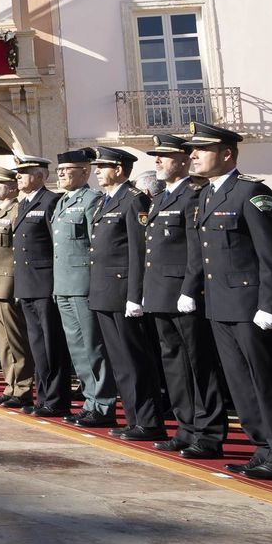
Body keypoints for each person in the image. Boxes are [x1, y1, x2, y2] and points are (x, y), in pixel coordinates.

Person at [186, 121, 272, 482]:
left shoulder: (251, 193)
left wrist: (270, 306)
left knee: (267, 380)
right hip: (220, 303)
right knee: (239, 382)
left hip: (251, 306)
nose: (192, 155)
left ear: (226, 154)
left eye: (201, 150)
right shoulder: (206, 195)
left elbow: (270, 256)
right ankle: (263, 447)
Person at [138, 135, 225, 459]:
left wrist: (190, 289)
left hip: (184, 293)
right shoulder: (161, 199)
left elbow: (196, 250)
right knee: (174, 364)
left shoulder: (195, 194)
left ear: (184, 159)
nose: (157, 161)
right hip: (160, 292)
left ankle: (209, 433)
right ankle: (185, 427)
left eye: (164, 156)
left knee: (199, 364)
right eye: (156, 157)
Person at [88, 146, 165, 442]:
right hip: (104, 292)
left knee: (135, 361)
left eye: (102, 166)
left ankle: (148, 420)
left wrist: (136, 295)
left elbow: (138, 251)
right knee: (120, 362)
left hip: (123, 293)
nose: (97, 171)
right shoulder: (105, 202)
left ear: (119, 170)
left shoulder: (133, 201)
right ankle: (134, 418)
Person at [51, 150, 116, 427]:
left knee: (92, 346)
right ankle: (90, 401)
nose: (62, 174)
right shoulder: (62, 202)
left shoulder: (92, 201)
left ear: (85, 172)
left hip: (83, 284)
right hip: (63, 284)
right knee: (77, 348)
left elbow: (96, 247)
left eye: (68, 169)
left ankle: (102, 404)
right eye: (60, 170)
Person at [11, 155, 70, 417]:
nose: (18, 177)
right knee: (37, 346)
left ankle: (56, 399)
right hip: (26, 284)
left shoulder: (50, 201)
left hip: (45, 284)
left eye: (24, 173)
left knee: (52, 344)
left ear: (40, 176)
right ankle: (43, 397)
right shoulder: (23, 205)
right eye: (18, 173)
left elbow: (56, 246)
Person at [0, 168, 33, 408]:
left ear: (12, 188)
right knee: (3, 342)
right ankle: (11, 386)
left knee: (16, 339)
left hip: (7, 283)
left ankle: (22, 388)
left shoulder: (17, 210)